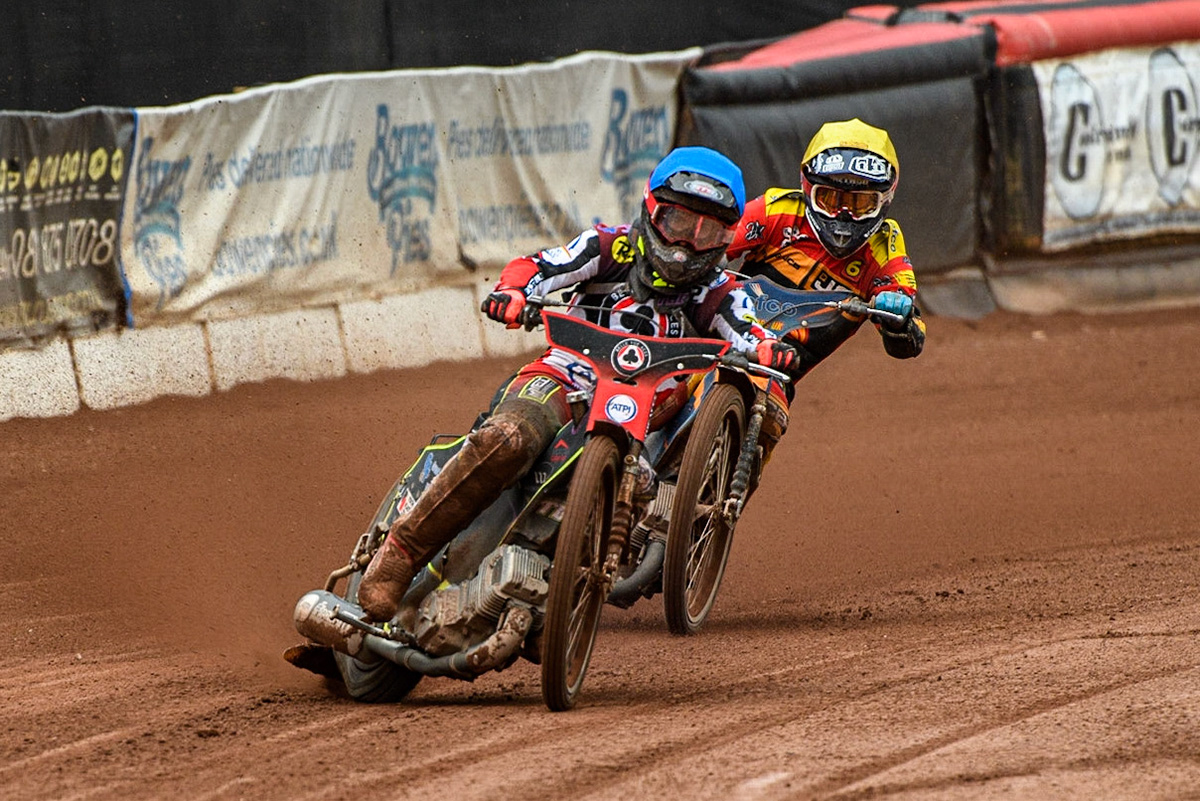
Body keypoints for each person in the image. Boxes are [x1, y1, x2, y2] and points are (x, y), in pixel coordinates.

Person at [357, 146, 797, 623]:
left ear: (725, 237)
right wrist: (513, 292)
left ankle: (558, 592)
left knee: (648, 487)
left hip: (641, 413)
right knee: (511, 437)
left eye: (706, 231)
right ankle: (399, 555)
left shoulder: (720, 292)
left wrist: (769, 348)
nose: (687, 243)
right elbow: (539, 266)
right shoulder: (608, 247)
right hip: (565, 377)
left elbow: (752, 329)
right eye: (677, 222)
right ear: (652, 210)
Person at [724, 118, 926, 459]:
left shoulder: (884, 247)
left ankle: (729, 493)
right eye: (831, 199)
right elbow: (716, 243)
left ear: (885, 200)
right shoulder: (778, 209)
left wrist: (899, 316)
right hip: (722, 329)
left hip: (778, 370)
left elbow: (911, 334)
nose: (843, 216)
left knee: (771, 415)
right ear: (808, 188)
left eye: (860, 203)